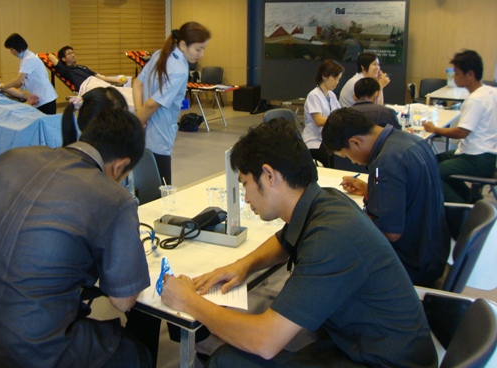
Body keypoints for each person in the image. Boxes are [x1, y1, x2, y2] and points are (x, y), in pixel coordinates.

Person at [161, 119, 437, 368]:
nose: (245, 198)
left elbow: (265, 341)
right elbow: (285, 240)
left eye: (245, 184)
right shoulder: (325, 201)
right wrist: (243, 265)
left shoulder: (330, 238)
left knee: (228, 359)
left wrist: (189, 302)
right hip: (366, 341)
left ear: (269, 176)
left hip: (383, 360)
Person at [0, 109, 152, 368]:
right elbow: (123, 301)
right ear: (120, 166)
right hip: (29, 352)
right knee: (136, 354)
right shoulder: (113, 197)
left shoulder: (12, 158)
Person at [322, 108, 450, 287]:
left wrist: (346, 218)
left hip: (412, 264)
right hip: (433, 250)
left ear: (355, 142)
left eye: (346, 155)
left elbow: (389, 232)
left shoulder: (386, 162)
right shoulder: (409, 140)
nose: (352, 162)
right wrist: (370, 189)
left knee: (333, 256)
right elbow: (409, 192)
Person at [133, 21, 209, 184]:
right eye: (198, 49)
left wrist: (138, 114)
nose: (201, 54)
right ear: (183, 45)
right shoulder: (180, 71)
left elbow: (137, 83)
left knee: (142, 188)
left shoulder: (159, 54)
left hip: (143, 138)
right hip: (158, 140)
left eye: (203, 49)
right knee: (162, 193)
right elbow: (152, 104)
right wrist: (137, 122)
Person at [423, 50, 497, 202]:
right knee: (434, 160)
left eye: (456, 73)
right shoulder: (491, 91)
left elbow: (461, 132)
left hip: (476, 158)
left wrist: (435, 129)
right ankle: (469, 200)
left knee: (431, 171)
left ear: (470, 74)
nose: (453, 78)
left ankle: (460, 210)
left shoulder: (475, 99)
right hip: (488, 156)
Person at [0, 33, 58, 115]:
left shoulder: (29, 59)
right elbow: (19, 83)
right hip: (39, 99)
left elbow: (17, 80)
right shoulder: (24, 59)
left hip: (46, 99)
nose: (11, 52)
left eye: (11, 49)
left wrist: (2, 87)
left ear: (17, 47)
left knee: (46, 122)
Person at [301, 59, 344, 168]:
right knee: (334, 154)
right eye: (335, 78)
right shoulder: (314, 95)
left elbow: (340, 114)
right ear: (324, 76)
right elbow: (319, 120)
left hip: (326, 138)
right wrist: (337, 119)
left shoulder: (331, 95)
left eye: (339, 79)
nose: (337, 82)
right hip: (314, 141)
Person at [49, 46, 126, 90]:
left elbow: (100, 77)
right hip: (88, 87)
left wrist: (117, 80)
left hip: (97, 83)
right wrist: (59, 56)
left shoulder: (82, 67)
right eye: (69, 53)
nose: (73, 55)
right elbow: (50, 56)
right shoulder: (65, 69)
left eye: (73, 52)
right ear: (63, 59)